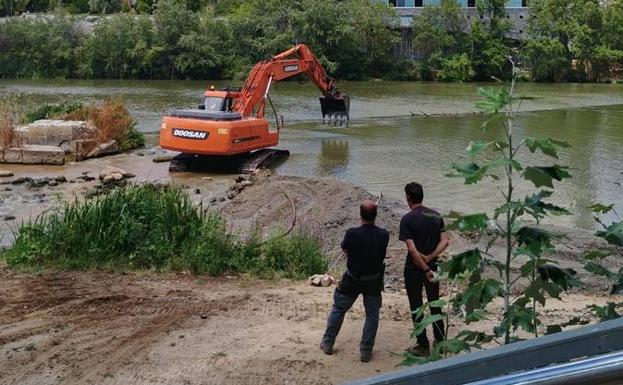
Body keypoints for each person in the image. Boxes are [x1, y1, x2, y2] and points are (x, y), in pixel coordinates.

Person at [320, 200, 390, 363]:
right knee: (372, 313)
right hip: (373, 280)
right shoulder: (384, 235)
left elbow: (345, 249)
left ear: (360, 215)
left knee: (339, 308)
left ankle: (328, 342)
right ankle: (366, 351)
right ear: (376, 215)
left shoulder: (352, 233)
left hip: (352, 278)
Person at [399, 182, 449, 355]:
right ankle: (440, 340)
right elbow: (445, 241)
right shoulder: (435, 215)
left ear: (408, 198)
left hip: (414, 269)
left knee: (416, 305)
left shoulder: (406, 219)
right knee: (435, 303)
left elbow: (412, 249)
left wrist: (423, 266)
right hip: (433, 266)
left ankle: (422, 344)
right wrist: (431, 257)